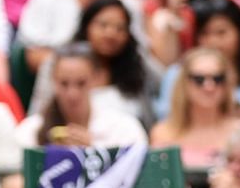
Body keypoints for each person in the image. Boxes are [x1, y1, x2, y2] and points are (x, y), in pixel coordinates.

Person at [16, 40, 149, 146]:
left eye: (81, 83)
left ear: (97, 79)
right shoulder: (31, 130)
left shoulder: (123, 129)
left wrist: (93, 153)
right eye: (64, 83)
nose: (72, 94)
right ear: (53, 81)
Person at [150, 45, 240, 165]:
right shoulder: (162, 133)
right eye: (199, 79)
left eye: (217, 78)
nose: (209, 86)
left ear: (227, 84)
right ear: (184, 84)